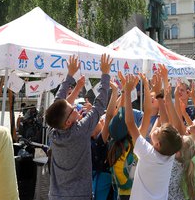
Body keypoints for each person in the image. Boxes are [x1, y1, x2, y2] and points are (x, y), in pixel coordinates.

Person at [45, 54, 112, 200]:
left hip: (56, 195)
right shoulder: (80, 131)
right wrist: (105, 74)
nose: (75, 106)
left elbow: (58, 102)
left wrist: (71, 77)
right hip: (80, 196)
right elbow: (99, 105)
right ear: (68, 122)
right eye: (72, 109)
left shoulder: (52, 131)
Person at [122, 67, 182, 200]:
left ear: (158, 144)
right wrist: (159, 96)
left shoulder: (148, 153)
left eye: (158, 130)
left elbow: (130, 123)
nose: (157, 128)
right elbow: (165, 122)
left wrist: (127, 92)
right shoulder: (168, 154)